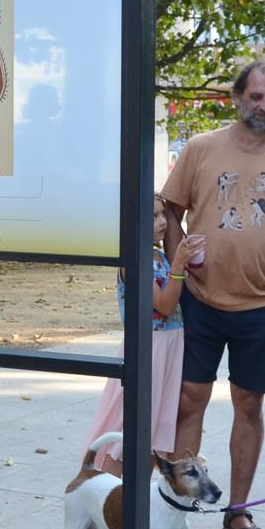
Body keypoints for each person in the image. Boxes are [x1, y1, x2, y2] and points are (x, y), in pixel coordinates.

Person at [161, 57, 265, 529]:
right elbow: (171, 209)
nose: (264, 106)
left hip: (264, 308)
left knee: (247, 404)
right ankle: (178, 504)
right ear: (236, 97)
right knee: (190, 397)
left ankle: (237, 511)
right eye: (255, 96)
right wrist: (177, 265)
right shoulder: (201, 148)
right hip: (201, 300)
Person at [80, 196, 207, 479]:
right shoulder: (134, 261)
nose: (162, 222)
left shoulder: (158, 256)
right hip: (147, 349)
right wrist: (179, 267)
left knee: (154, 429)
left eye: (163, 215)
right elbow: (163, 304)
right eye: (152, 217)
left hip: (169, 349)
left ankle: (137, 502)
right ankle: (112, 497)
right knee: (129, 425)